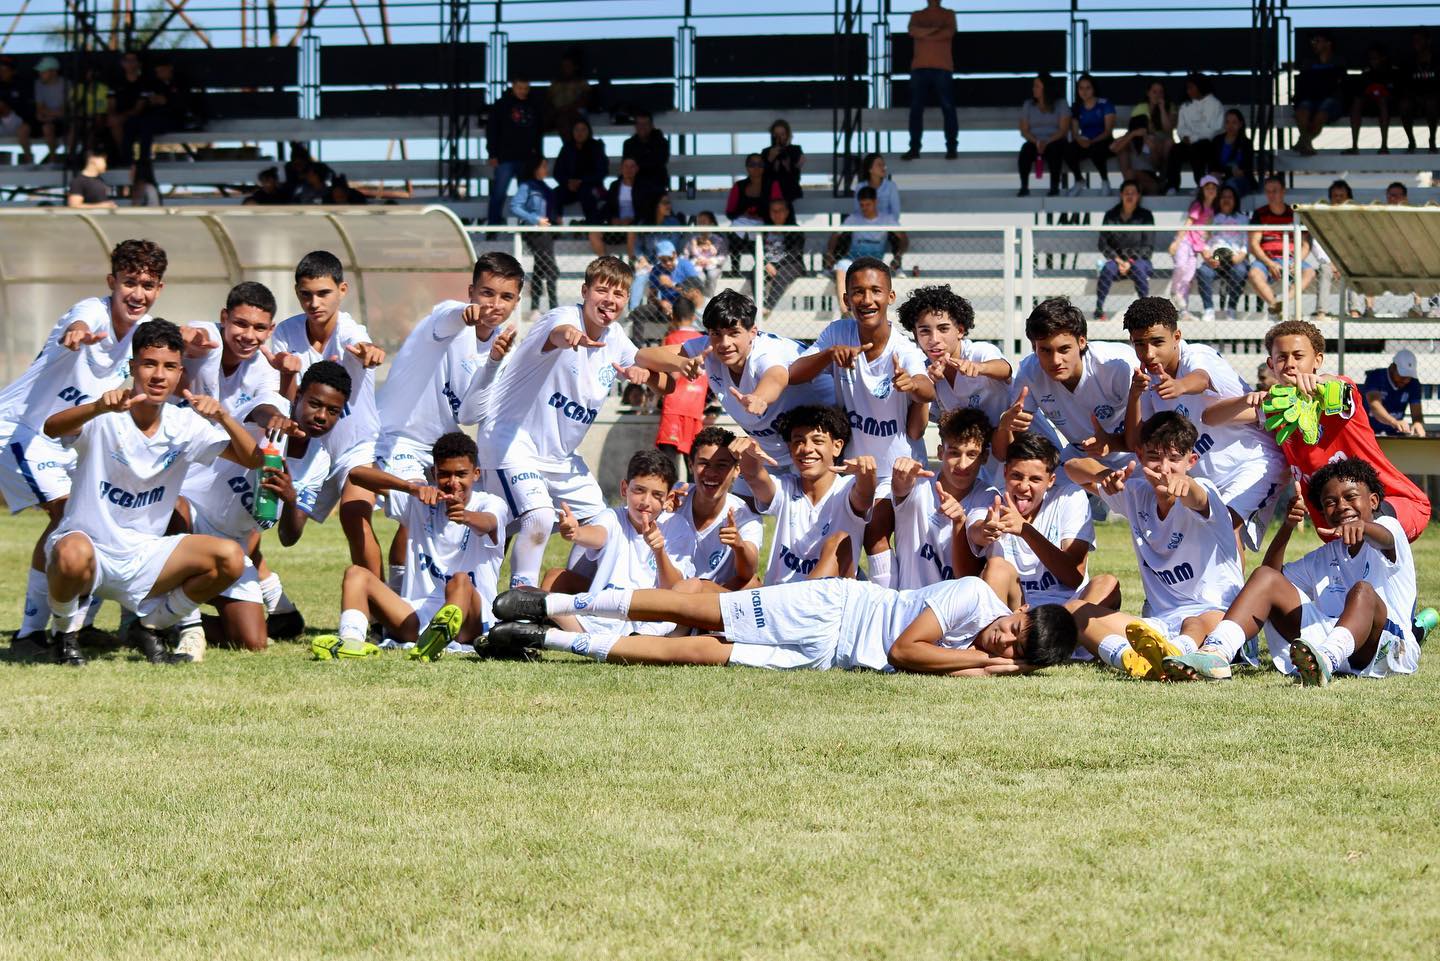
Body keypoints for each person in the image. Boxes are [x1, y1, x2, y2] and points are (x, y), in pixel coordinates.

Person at [41, 320, 263, 667]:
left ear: (179, 373)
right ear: (133, 368)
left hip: (146, 558)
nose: (159, 375)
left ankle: (152, 626)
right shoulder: (107, 410)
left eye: (170, 366)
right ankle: (64, 635)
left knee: (231, 557)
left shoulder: (184, 424)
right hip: (92, 551)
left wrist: (223, 416)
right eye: (149, 363)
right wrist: (97, 407)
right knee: (70, 551)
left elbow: (253, 458)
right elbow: (51, 427)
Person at [0, 239, 172, 654]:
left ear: (159, 288)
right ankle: (30, 635)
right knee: (66, 520)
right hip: (23, 432)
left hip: (67, 443)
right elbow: (78, 323)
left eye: (148, 284)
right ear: (112, 282)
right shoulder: (91, 312)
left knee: (93, 522)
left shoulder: (143, 331)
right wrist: (75, 335)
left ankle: (78, 625)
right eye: (130, 282)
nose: (138, 293)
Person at [472, 256, 674, 589]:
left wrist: (650, 375)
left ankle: (573, 597)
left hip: (561, 460)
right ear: (585, 291)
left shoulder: (617, 338)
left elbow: (669, 384)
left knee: (604, 521)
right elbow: (557, 334)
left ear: (627, 301)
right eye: (602, 290)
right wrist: (570, 336)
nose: (609, 299)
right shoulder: (563, 317)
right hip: (512, 441)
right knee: (534, 518)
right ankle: (519, 609)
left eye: (619, 294)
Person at [484, 574, 1077, 676]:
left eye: (1015, 648)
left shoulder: (994, 660)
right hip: (834, 608)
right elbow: (904, 650)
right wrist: (984, 660)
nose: (1003, 638)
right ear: (1018, 611)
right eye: (1014, 629)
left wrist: (996, 667)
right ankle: (550, 603)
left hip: (825, 656)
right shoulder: (974, 597)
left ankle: (545, 638)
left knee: (698, 657)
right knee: (691, 610)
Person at [1164, 460, 1419, 685]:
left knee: (1363, 591)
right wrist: (1286, 527)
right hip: (1329, 642)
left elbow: (1385, 538)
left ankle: (1327, 660)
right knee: (1265, 576)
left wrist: (1363, 526)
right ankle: (1216, 653)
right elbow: (1270, 579)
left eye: (1351, 497)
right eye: (1330, 502)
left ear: (1373, 501)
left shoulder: (1388, 527)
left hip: (1386, 647)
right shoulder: (1326, 555)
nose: (1341, 506)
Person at [178, 359, 352, 659]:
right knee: (174, 508)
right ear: (297, 398)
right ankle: (183, 622)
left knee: (252, 640)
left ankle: (160, 619)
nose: (321, 416)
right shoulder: (271, 405)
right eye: (314, 404)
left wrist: (290, 497)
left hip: (231, 545)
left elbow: (288, 536)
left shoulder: (320, 460)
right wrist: (274, 419)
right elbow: (262, 412)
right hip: (190, 515)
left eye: (333, 411)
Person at [1203, 318, 1431, 543]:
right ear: (1271, 364)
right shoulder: (1279, 408)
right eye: (1281, 357)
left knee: (1366, 531)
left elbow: (1340, 386)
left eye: (1298, 356)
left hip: (1396, 505)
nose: (1290, 363)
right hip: (1334, 524)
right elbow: (1211, 417)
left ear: (1318, 359)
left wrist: (1320, 382)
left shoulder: (1335, 392)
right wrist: (1246, 400)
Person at [375, 253, 524, 593]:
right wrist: (463, 314)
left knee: (497, 511)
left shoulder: (505, 347)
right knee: (418, 507)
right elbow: (445, 316)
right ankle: (387, 603)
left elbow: (469, 414)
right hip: (395, 438)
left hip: (440, 446)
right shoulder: (449, 317)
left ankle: (475, 597)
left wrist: (494, 363)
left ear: (517, 301)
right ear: (471, 292)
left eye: (506, 297)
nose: (494, 304)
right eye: (486, 293)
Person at [1063, 411, 1247, 680]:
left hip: (1216, 620)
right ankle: (1129, 658)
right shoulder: (1136, 494)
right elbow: (1072, 468)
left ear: (1191, 461)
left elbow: (1197, 496)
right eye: (1153, 457)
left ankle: (1180, 653)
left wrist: (1186, 485)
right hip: (1159, 625)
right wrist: (1106, 476)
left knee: (1194, 622)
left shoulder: (1204, 490)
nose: (1163, 468)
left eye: (1174, 459)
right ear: (1139, 457)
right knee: (1073, 612)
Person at [790, 258, 936, 585]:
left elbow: (927, 387)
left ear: (891, 296)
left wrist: (912, 385)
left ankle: (886, 609)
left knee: (878, 538)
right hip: (857, 469)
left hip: (902, 469)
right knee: (845, 547)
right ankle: (861, 606)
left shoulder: (902, 348)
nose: (867, 300)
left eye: (875, 291)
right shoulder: (838, 333)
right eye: (857, 292)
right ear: (846, 299)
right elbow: (793, 374)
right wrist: (829, 355)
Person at [1121, 297, 1288, 553]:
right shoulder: (1147, 377)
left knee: (1225, 525)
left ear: (1177, 336)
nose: (1149, 353)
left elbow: (1202, 378)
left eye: (1157, 342)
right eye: (1140, 344)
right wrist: (1134, 396)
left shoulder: (1197, 355)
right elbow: (1135, 441)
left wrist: (1180, 386)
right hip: (1208, 478)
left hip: (1253, 463)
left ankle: (1235, 594)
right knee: (1207, 536)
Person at [332, 431, 508, 660]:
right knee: (356, 574)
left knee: (460, 580)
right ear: (434, 473)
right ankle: (350, 642)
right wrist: (409, 487)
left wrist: (466, 516)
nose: (453, 483)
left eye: (461, 474)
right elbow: (356, 475)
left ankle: (441, 635)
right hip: (415, 618)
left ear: (476, 474)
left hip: (470, 622)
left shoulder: (490, 503)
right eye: (444, 474)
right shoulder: (420, 500)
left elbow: (489, 522)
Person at [633, 288, 835, 484]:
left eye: (733, 333)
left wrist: (760, 398)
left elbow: (777, 376)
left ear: (753, 332)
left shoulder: (766, 352)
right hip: (771, 451)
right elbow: (643, 356)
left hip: (814, 444)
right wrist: (681, 363)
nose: (724, 343)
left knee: (809, 514)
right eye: (716, 333)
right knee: (736, 511)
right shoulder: (706, 347)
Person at [269, 251, 388, 577]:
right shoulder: (284, 335)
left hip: (356, 448)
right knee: (270, 524)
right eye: (306, 294)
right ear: (297, 293)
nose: (314, 302)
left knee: (354, 513)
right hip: (309, 452)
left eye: (323, 293)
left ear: (342, 290)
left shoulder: (350, 330)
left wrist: (370, 352)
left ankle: (377, 614)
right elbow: (285, 406)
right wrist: (285, 375)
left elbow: (362, 345)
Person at [537, 448, 696, 644]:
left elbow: (672, 588)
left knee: (687, 601)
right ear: (624, 489)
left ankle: (640, 641)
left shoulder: (677, 526)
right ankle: (540, 626)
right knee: (534, 590)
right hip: (601, 618)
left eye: (656, 495)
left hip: (650, 618)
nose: (646, 502)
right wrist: (576, 533)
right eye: (639, 490)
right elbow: (598, 535)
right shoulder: (612, 517)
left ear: (668, 498)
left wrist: (659, 550)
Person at [970, 431, 1117, 616]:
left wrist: (1025, 530)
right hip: (1014, 611)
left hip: (1065, 613)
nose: (1024, 487)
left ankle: (1059, 638)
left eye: (1035, 479)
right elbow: (976, 530)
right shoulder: (991, 500)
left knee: (1107, 583)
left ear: (1051, 480)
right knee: (996, 567)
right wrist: (984, 531)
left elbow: (1073, 577)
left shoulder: (1069, 497)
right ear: (1005, 472)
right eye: (1016, 476)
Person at [730, 404, 875, 585]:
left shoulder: (847, 488)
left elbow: (863, 497)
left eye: (818, 441)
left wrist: (867, 475)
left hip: (826, 603)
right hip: (780, 600)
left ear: (837, 447)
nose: (807, 448)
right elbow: (754, 476)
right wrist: (748, 451)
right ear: (790, 449)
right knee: (737, 587)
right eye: (798, 441)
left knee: (839, 542)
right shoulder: (785, 487)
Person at [995, 296, 1137, 471]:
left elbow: (1149, 432)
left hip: (1134, 457)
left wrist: (1112, 443)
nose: (1056, 361)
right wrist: (1004, 426)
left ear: (1082, 342)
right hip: (1078, 459)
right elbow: (1003, 454)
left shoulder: (1118, 364)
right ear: (1034, 348)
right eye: (1045, 350)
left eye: (1064, 349)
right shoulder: (1029, 372)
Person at [890, 408, 997, 590]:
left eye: (972, 454)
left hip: (953, 612)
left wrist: (979, 530)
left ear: (985, 457)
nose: (962, 464)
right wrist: (901, 477)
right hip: (908, 604)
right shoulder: (918, 484)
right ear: (941, 452)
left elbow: (977, 530)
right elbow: (901, 490)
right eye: (954, 453)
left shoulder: (988, 496)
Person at [898, 284, 1010, 434]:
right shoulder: (922, 372)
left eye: (943, 329)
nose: (934, 339)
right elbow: (915, 432)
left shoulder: (978, 352)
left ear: (960, 331)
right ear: (915, 334)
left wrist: (979, 367)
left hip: (1025, 448)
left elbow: (1006, 369)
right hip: (977, 455)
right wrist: (927, 386)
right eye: (925, 331)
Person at [668, 426, 764, 591]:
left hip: (714, 597)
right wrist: (657, 512)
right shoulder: (672, 496)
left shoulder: (745, 517)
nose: (711, 473)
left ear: (736, 471)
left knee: (753, 585)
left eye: (721, 465)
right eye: (704, 463)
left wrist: (739, 545)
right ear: (690, 465)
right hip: (671, 590)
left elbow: (749, 571)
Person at [655, 298, 709, 478]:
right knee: (694, 462)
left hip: (673, 406)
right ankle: (694, 502)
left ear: (673, 316)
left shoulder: (670, 338)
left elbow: (665, 372)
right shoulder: (703, 341)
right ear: (694, 316)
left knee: (668, 461)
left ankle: (670, 500)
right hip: (695, 406)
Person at [1247, 175, 1316, 315]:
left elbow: (1305, 244)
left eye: (1275, 191)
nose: (1271, 195)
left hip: (1291, 259)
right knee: (1254, 274)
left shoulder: (1295, 214)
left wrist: (1297, 261)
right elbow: (1253, 244)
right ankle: (1274, 304)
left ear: (1283, 191)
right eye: (1268, 191)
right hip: (1266, 260)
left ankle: (1283, 302)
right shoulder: (1260, 214)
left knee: (1309, 272)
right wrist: (1269, 263)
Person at [903, 0, 958, 161]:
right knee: (916, 110)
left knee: (948, 108)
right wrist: (935, 30)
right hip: (920, 68)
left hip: (943, 67)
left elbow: (948, 33)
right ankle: (914, 148)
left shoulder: (949, 14)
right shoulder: (917, 15)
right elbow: (913, 31)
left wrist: (925, 32)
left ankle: (951, 147)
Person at [826, 186, 902, 301]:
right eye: (861, 205)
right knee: (841, 265)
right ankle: (846, 312)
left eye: (868, 204)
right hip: (852, 262)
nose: (864, 208)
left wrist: (898, 256)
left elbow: (904, 239)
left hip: (875, 264)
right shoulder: (853, 219)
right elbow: (835, 236)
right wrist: (830, 254)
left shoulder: (887, 219)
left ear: (875, 202)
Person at [485, 74, 542, 226]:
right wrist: (492, 153)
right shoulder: (501, 104)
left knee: (526, 196)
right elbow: (492, 130)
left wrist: (538, 156)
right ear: (513, 86)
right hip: (505, 158)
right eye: (520, 88)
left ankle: (528, 229)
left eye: (526, 88)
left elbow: (538, 133)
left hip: (527, 159)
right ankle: (493, 228)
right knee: (498, 194)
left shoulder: (534, 105)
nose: (523, 91)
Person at [1095, 180, 1154, 321]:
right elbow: (1103, 244)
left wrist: (1130, 262)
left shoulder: (1146, 216)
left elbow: (1148, 246)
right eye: (1127, 192)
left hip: (1140, 262)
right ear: (1121, 194)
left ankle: (1145, 310)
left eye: (1133, 193)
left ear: (1138, 196)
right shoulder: (1110, 215)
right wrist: (1119, 260)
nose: (1130, 196)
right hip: (1117, 262)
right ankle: (1098, 309)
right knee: (1107, 269)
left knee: (1139, 267)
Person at [509, 155, 559, 316]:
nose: (546, 169)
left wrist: (557, 217)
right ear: (535, 168)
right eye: (543, 166)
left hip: (547, 232)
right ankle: (554, 307)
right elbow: (515, 206)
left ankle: (535, 307)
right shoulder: (527, 186)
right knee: (551, 269)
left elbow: (551, 207)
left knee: (540, 266)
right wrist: (535, 219)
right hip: (534, 231)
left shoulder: (545, 186)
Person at [1195, 184, 1249, 322]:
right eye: (1223, 197)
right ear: (1218, 200)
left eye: (1230, 197)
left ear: (1235, 200)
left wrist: (1240, 257)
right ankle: (1208, 309)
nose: (1226, 200)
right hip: (1215, 260)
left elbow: (1247, 243)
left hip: (1235, 260)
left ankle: (1231, 309)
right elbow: (1203, 242)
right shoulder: (1212, 219)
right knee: (1203, 271)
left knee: (1241, 271)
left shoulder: (1243, 219)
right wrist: (1207, 258)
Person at [1167, 176, 1219, 317]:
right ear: (1202, 190)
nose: (1211, 191)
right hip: (1185, 241)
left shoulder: (1213, 209)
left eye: (1213, 188)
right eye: (1208, 188)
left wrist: (1204, 248)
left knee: (1188, 277)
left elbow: (1205, 232)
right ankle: (1174, 291)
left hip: (1196, 246)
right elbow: (1188, 224)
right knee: (1180, 266)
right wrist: (1176, 241)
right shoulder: (1198, 205)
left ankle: (1183, 309)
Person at [1168, 73, 1224, 191]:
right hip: (1188, 142)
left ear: (1200, 86)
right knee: (1175, 150)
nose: (1189, 90)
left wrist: (1193, 138)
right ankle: (1173, 185)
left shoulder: (1214, 104)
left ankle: (1201, 184)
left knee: (1197, 149)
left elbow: (1212, 130)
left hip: (1209, 144)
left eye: (1191, 87)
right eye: (1187, 88)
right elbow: (1180, 127)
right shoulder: (1185, 105)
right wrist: (1184, 136)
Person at [1016, 73, 1069, 197]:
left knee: (1054, 150)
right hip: (1035, 141)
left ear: (1046, 88)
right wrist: (1037, 142)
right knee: (1025, 151)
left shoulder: (1061, 103)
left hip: (1056, 140)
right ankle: (1024, 187)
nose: (1033, 88)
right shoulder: (1028, 104)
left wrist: (1047, 141)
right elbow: (1024, 130)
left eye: (1037, 86)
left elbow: (1063, 130)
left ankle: (1054, 187)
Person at [1293, 31, 1345, 156]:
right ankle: (1306, 143)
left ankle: (1304, 141)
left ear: (1328, 43)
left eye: (1317, 41)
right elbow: (1304, 83)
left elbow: (1338, 84)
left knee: (1322, 111)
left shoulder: (1338, 61)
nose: (1314, 44)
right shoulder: (1308, 62)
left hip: (1330, 99)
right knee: (1302, 110)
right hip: (1311, 98)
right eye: (1312, 42)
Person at [1064, 74, 1116, 194]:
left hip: (1104, 141)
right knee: (1067, 149)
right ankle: (1079, 180)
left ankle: (1105, 182)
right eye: (1081, 88)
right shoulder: (1077, 107)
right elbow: (1075, 133)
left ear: (1094, 89)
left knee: (1095, 150)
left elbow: (1108, 131)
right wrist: (1080, 140)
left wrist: (1091, 142)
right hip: (1085, 141)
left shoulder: (1105, 104)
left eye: (1088, 88)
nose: (1084, 91)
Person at [755, 197, 807, 313]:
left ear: (787, 212)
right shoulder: (764, 229)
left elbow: (795, 253)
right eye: (773, 211)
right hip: (768, 264)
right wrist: (766, 264)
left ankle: (767, 307)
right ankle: (756, 305)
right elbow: (756, 251)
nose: (776, 214)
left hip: (791, 264)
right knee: (755, 270)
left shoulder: (794, 230)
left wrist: (776, 266)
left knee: (782, 273)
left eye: (780, 210)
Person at [551, 118, 607, 224]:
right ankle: (554, 228)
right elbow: (557, 172)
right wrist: (568, 182)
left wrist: (582, 181)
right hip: (570, 187)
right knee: (554, 195)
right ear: (572, 132)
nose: (580, 133)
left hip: (590, 186)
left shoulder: (596, 147)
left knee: (587, 195)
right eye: (577, 130)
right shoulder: (567, 148)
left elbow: (602, 171)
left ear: (588, 131)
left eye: (583, 130)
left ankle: (592, 228)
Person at [1347, 44, 1400, 154]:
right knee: (1357, 102)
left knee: (1382, 101)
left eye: (1375, 58)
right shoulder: (1366, 73)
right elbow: (1359, 92)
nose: (1372, 61)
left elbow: (1396, 93)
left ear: (1383, 58)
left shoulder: (1392, 72)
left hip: (1388, 106)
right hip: (1370, 105)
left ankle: (1384, 145)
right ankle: (1354, 146)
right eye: (1370, 58)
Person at [593, 156, 650, 259]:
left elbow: (646, 210)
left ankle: (632, 265)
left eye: (632, 167)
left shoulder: (643, 187)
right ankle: (605, 264)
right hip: (616, 228)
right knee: (593, 233)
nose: (628, 169)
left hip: (635, 228)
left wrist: (632, 220)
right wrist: (612, 219)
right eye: (626, 166)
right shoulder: (614, 186)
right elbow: (608, 206)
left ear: (637, 169)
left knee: (632, 231)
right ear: (621, 169)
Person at [1362, 349, 1427, 437]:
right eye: (1402, 375)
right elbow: (1374, 405)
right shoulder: (1375, 377)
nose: (1406, 380)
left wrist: (1418, 423)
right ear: (1393, 367)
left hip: (1394, 433)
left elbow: (1416, 413)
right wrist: (1394, 422)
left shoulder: (1414, 383)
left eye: (1409, 376)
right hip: (1368, 431)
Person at [1400, 29, 1438, 154]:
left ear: (1428, 41)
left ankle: (1432, 139)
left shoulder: (1437, 60)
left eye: (1419, 39)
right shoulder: (1409, 61)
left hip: (1434, 99)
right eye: (1414, 40)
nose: (1416, 43)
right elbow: (1404, 85)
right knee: (1404, 105)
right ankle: (1411, 141)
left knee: (1431, 103)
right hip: (1415, 99)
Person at [621, 110, 671, 204]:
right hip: (634, 183)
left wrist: (638, 164)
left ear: (652, 125)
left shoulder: (661, 142)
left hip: (655, 183)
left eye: (645, 124)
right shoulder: (628, 144)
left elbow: (658, 163)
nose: (642, 127)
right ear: (635, 126)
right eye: (639, 124)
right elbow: (626, 166)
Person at [1110, 113, 1163, 196]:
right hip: (1131, 178)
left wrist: (1152, 149)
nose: (1152, 125)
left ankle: (1130, 192)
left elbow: (1158, 165)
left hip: (1149, 178)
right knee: (1123, 152)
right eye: (1149, 123)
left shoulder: (1153, 139)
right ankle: (1131, 194)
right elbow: (1114, 148)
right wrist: (1132, 134)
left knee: (1131, 174)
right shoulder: (1128, 139)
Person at [544, 51, 591, 143]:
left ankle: (570, 148)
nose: (566, 69)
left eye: (568, 66)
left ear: (574, 67)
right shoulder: (556, 83)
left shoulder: (581, 82)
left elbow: (587, 98)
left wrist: (569, 108)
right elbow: (548, 100)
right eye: (564, 66)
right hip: (557, 114)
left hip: (574, 113)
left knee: (564, 121)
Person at [1210, 108, 1257, 197]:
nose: (1230, 126)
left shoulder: (1246, 143)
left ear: (1240, 124)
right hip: (1220, 177)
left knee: (1229, 186)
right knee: (1210, 184)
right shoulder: (1217, 140)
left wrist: (1227, 173)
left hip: (1241, 180)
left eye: (1234, 122)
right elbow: (1213, 166)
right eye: (1227, 122)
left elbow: (1246, 169)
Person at [725, 153, 781, 226]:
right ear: (747, 167)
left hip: (767, 228)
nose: (756, 167)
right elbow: (730, 212)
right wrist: (743, 215)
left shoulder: (773, 185)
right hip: (742, 227)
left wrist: (763, 218)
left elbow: (779, 211)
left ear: (764, 167)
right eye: (752, 164)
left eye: (760, 164)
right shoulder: (739, 186)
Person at [682, 211, 728, 296]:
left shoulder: (718, 239)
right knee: (700, 277)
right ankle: (701, 300)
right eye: (699, 222)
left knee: (712, 275)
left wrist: (710, 261)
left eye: (704, 221)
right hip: (697, 264)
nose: (701, 224)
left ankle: (709, 299)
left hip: (713, 265)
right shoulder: (693, 238)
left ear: (711, 223)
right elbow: (685, 254)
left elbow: (723, 256)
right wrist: (693, 262)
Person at [762, 118, 805, 204]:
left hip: (789, 194)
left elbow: (796, 176)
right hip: (770, 195)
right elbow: (762, 176)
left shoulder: (795, 150)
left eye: (782, 134)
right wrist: (769, 160)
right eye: (776, 134)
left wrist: (789, 166)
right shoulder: (766, 152)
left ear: (787, 135)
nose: (779, 138)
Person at [32, 56, 66, 162]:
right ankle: (53, 159)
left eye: (43, 71)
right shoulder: (38, 84)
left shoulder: (66, 84)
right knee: (47, 128)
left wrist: (50, 113)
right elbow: (40, 110)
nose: (40, 74)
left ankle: (71, 158)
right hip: (47, 121)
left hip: (65, 122)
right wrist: (53, 114)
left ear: (53, 72)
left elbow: (65, 111)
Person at [856, 153, 901, 220]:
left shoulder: (891, 186)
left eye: (884, 165)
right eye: (879, 165)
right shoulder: (860, 187)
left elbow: (895, 214)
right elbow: (857, 211)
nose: (883, 167)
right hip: (865, 227)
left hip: (886, 227)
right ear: (870, 169)